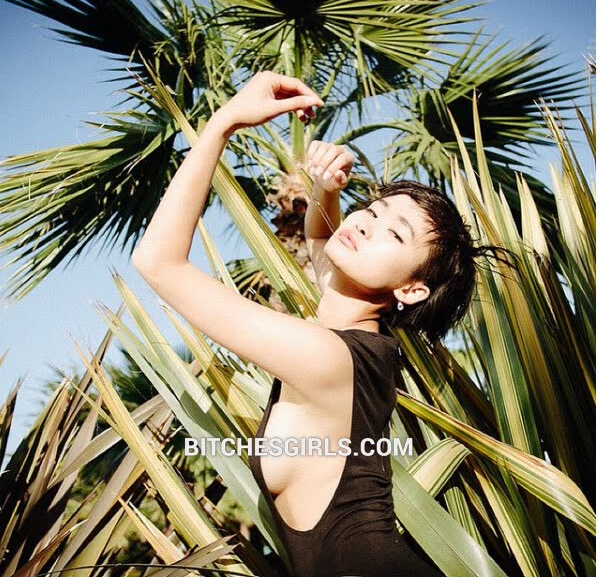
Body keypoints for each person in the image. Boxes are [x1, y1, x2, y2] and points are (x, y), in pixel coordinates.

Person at [132, 71, 515, 577]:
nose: (366, 224)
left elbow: (159, 263)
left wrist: (224, 122)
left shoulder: (327, 358)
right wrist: (325, 188)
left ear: (411, 290)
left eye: (394, 234)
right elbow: (321, 239)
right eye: (372, 211)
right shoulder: (359, 340)